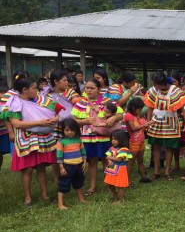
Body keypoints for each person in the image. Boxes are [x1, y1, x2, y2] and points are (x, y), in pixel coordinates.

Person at [3, 77, 59, 205]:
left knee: (41, 167)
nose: (37, 90)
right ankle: (28, 198)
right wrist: (41, 122)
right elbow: (16, 124)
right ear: (24, 90)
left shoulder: (40, 100)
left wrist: (55, 118)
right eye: (34, 88)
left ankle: (44, 195)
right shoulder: (14, 103)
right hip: (26, 139)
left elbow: (56, 110)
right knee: (27, 169)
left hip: (40, 138)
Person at [72, 78, 124, 196]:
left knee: (108, 160)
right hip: (88, 138)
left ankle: (109, 184)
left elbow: (120, 114)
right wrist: (85, 120)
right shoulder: (81, 103)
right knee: (92, 161)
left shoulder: (107, 101)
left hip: (105, 137)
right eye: (87, 88)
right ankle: (92, 186)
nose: (89, 90)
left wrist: (113, 118)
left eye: (92, 88)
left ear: (99, 89)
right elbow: (74, 120)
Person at [144, 71, 185, 180]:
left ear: (163, 83)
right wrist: (148, 122)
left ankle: (167, 171)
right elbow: (150, 106)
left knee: (169, 147)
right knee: (156, 146)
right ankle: (156, 171)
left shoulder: (175, 91)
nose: (155, 87)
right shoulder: (154, 91)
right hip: (156, 121)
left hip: (170, 121)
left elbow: (183, 108)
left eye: (156, 84)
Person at [56, 118, 87, 210]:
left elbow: (83, 151)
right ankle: (60, 204)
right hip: (67, 166)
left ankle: (81, 199)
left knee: (79, 182)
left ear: (76, 130)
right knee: (63, 184)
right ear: (63, 131)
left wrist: (84, 162)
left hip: (79, 165)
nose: (69, 132)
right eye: (67, 130)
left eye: (72, 130)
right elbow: (59, 156)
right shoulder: (61, 142)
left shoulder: (78, 140)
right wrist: (61, 167)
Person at [123, 97, 151, 185]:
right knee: (131, 161)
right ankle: (127, 180)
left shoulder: (136, 116)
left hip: (141, 140)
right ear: (133, 108)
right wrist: (144, 125)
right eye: (139, 109)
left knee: (140, 160)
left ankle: (143, 177)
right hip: (134, 141)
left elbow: (140, 126)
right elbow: (133, 128)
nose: (140, 111)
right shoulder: (128, 115)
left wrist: (145, 124)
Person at [104, 129, 132, 203]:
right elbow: (108, 155)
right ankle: (115, 194)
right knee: (108, 183)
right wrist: (109, 161)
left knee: (120, 185)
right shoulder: (112, 148)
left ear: (122, 139)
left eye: (115, 139)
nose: (113, 141)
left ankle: (120, 199)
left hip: (120, 169)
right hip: (112, 168)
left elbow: (119, 160)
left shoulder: (124, 149)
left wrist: (110, 158)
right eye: (112, 139)